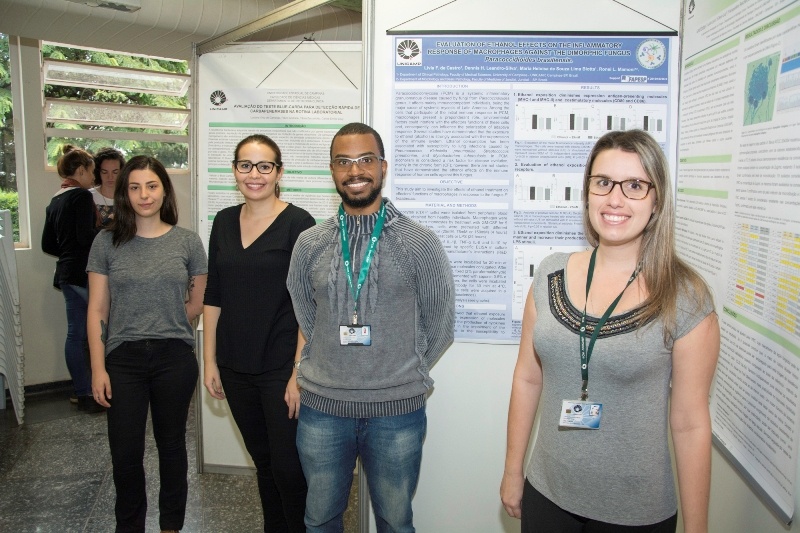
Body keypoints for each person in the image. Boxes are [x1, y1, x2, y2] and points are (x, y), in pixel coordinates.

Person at [500, 130, 720, 533]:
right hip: (548, 492)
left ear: (656, 200)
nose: (615, 199)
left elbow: (690, 422)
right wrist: (513, 471)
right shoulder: (551, 273)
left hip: (635, 511)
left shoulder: (684, 296)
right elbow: (528, 378)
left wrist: (697, 527)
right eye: (603, 183)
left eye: (634, 186)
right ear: (587, 192)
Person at [287, 122, 455, 532]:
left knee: (396, 523)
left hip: (396, 412)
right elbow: (306, 313)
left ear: (383, 167)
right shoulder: (310, 243)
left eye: (365, 159)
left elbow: (441, 324)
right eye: (343, 162)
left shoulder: (419, 242)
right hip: (323, 409)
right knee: (320, 520)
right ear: (332, 171)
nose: (354, 170)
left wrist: (397, 372)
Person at [87, 155, 207, 533]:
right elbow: (97, 310)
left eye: (151, 186)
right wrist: (97, 368)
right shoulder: (106, 242)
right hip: (122, 361)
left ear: (164, 190)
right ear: (124, 193)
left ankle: (171, 526)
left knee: (172, 449)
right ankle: (130, 526)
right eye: (134, 187)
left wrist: (164, 320)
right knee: (125, 454)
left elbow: (198, 302)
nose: (144, 195)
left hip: (174, 358)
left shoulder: (187, 242)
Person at [202, 134, 314, 532]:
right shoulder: (223, 222)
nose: (255, 174)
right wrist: (209, 360)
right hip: (234, 366)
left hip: (280, 367)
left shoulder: (299, 224)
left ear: (279, 172)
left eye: (264, 166)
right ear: (234, 171)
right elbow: (213, 293)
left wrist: (298, 371)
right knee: (262, 462)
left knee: (288, 468)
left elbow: (308, 303)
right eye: (246, 165)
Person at [41, 144, 103, 413]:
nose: (94, 178)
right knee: (104, 328)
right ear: (81, 170)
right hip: (85, 272)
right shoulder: (81, 196)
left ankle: (83, 392)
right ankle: (106, 389)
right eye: (92, 171)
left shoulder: (56, 199)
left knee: (76, 334)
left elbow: (48, 244)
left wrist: (68, 252)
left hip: (66, 274)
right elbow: (85, 237)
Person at [92, 147, 126, 226]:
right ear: (98, 172)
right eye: (104, 172)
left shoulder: (129, 195)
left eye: (115, 172)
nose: (110, 177)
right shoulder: (89, 196)